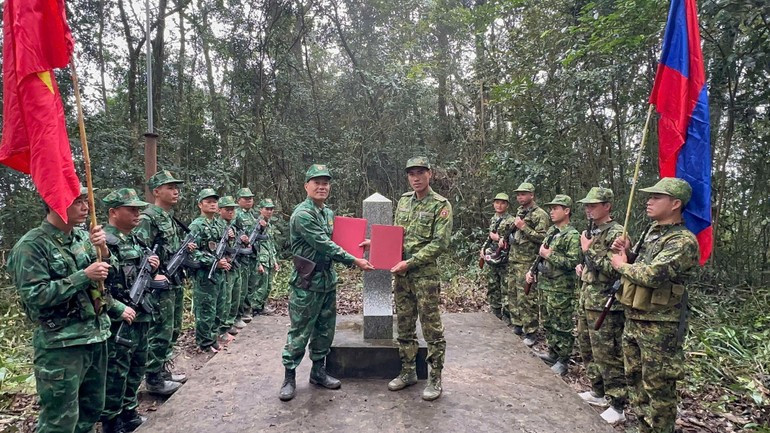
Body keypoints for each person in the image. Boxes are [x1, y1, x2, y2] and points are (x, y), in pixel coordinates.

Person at [7, 187, 119, 433]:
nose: (85, 207)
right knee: (60, 421)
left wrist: (104, 251)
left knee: (91, 411)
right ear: (54, 203)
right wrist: (83, 276)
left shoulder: (83, 238)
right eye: (77, 202)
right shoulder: (32, 246)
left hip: (95, 336)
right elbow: (35, 296)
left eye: (85, 201)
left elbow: (111, 277)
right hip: (61, 345)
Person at [610, 178, 699, 433]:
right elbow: (642, 264)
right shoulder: (652, 232)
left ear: (675, 204)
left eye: (656, 197)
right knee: (635, 380)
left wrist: (621, 265)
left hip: (661, 326)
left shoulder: (683, 241)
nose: (649, 201)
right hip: (636, 317)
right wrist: (628, 253)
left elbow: (654, 275)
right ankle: (643, 427)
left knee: (658, 387)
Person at [279, 164, 374, 402]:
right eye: (317, 183)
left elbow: (340, 240)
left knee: (325, 329)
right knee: (300, 331)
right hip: (307, 282)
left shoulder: (328, 213)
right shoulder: (303, 214)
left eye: (326, 183)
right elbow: (325, 244)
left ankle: (318, 372)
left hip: (327, 280)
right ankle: (289, 377)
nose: (322, 187)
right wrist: (354, 260)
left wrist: (361, 245)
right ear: (306, 186)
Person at [100, 188, 176, 433]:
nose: (137, 214)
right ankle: (112, 421)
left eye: (138, 209)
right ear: (113, 212)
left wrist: (152, 266)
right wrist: (117, 309)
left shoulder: (135, 239)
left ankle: (129, 412)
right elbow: (98, 286)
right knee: (117, 371)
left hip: (141, 313)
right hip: (119, 317)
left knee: (137, 366)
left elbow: (140, 275)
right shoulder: (104, 242)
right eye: (131, 209)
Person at [386, 156, 452, 401]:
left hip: (424, 277)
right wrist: (378, 245)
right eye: (411, 173)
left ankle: (435, 378)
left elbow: (440, 244)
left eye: (420, 173)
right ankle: (408, 371)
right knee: (404, 325)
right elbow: (397, 236)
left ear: (429, 174)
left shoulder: (440, 205)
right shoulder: (404, 201)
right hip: (402, 276)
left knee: (431, 329)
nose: (416, 178)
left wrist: (410, 262)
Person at [574, 187, 627, 423]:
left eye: (593, 205)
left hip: (605, 303)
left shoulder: (617, 233)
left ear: (607, 206)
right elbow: (593, 264)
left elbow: (614, 268)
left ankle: (617, 404)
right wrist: (583, 265)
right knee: (587, 348)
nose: (588, 209)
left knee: (607, 353)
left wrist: (588, 250)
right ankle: (598, 391)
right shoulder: (591, 230)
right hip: (587, 298)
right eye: (587, 205)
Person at [135, 170, 188, 392]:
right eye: (170, 187)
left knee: (173, 328)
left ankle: (163, 371)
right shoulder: (147, 218)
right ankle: (153, 379)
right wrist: (152, 273)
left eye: (176, 188)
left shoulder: (169, 217)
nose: (175, 191)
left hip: (173, 281)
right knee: (160, 331)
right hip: (158, 286)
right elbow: (137, 250)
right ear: (156, 191)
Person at [526, 194, 580, 376]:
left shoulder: (572, 235)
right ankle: (553, 353)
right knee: (548, 321)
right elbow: (541, 255)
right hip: (546, 285)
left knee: (561, 324)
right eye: (550, 208)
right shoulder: (551, 231)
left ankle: (563, 360)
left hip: (561, 288)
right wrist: (532, 271)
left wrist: (550, 255)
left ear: (567, 211)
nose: (551, 211)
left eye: (555, 208)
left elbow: (572, 262)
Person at [502, 182, 550, 346]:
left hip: (528, 261)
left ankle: (531, 331)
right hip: (514, 258)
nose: (520, 197)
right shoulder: (520, 212)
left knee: (527, 297)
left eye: (523, 194)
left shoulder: (540, 214)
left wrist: (524, 227)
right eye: (518, 194)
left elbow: (543, 238)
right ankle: (517, 324)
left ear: (532, 195)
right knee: (513, 293)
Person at [189, 188, 232, 352]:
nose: (213, 204)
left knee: (220, 307)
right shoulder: (196, 225)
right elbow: (191, 252)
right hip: (205, 274)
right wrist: (213, 261)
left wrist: (225, 259)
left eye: (215, 202)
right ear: (200, 205)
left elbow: (222, 247)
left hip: (219, 273)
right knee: (206, 309)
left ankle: (213, 338)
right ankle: (205, 343)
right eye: (208, 202)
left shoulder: (218, 224)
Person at [480, 192, 514, 322]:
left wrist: (499, 238)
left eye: (503, 203)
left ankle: (507, 316)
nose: (499, 205)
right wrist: (483, 249)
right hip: (493, 256)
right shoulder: (494, 218)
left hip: (505, 259)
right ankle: (495, 312)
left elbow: (513, 241)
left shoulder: (511, 221)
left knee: (506, 287)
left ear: (507, 205)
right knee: (493, 285)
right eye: (497, 203)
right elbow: (490, 236)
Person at [216, 196, 241, 337]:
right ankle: (223, 327)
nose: (231, 212)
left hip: (232, 264)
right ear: (220, 210)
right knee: (225, 299)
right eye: (227, 209)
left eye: (232, 209)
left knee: (234, 296)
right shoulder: (218, 225)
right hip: (223, 266)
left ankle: (229, 323)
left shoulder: (231, 226)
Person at [233, 187, 259, 324]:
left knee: (251, 285)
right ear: (239, 200)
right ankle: (239, 314)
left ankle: (247, 311)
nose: (249, 200)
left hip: (251, 255)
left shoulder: (251, 215)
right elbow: (230, 230)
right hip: (241, 256)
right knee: (241, 287)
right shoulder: (236, 215)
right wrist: (240, 238)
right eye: (246, 198)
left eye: (251, 198)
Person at [252, 198, 280, 315]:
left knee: (268, 286)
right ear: (261, 210)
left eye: (271, 209)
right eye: (267, 209)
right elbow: (253, 245)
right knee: (260, 286)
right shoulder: (256, 224)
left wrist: (274, 261)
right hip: (261, 260)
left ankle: (261, 306)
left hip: (268, 259)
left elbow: (270, 244)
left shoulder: (268, 225)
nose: (269, 211)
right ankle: (254, 308)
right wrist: (258, 263)